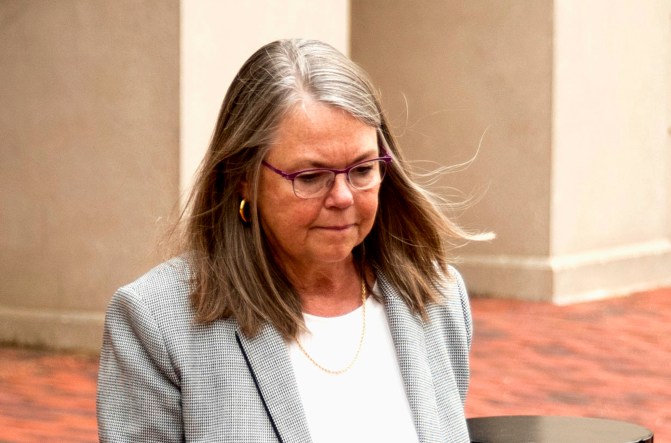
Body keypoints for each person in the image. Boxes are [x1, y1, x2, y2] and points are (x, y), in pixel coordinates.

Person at [97, 38, 491, 443]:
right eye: (310, 177)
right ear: (242, 177)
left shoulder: (435, 296)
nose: (342, 197)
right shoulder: (157, 321)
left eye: (362, 169)